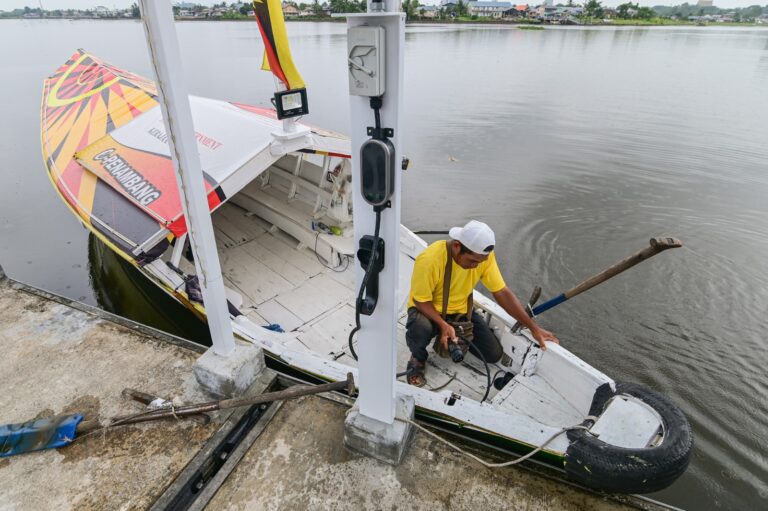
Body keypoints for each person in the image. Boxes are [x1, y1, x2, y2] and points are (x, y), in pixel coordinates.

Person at [405, 220, 560, 387]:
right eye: (472, 261)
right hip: (428, 311)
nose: (476, 266)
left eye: (480, 262)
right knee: (420, 329)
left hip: (460, 311)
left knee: (493, 354)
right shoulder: (429, 260)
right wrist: (443, 325)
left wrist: (533, 328)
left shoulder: (483, 257)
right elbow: (421, 300)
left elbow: (501, 292)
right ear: (457, 246)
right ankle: (417, 358)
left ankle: (456, 335)